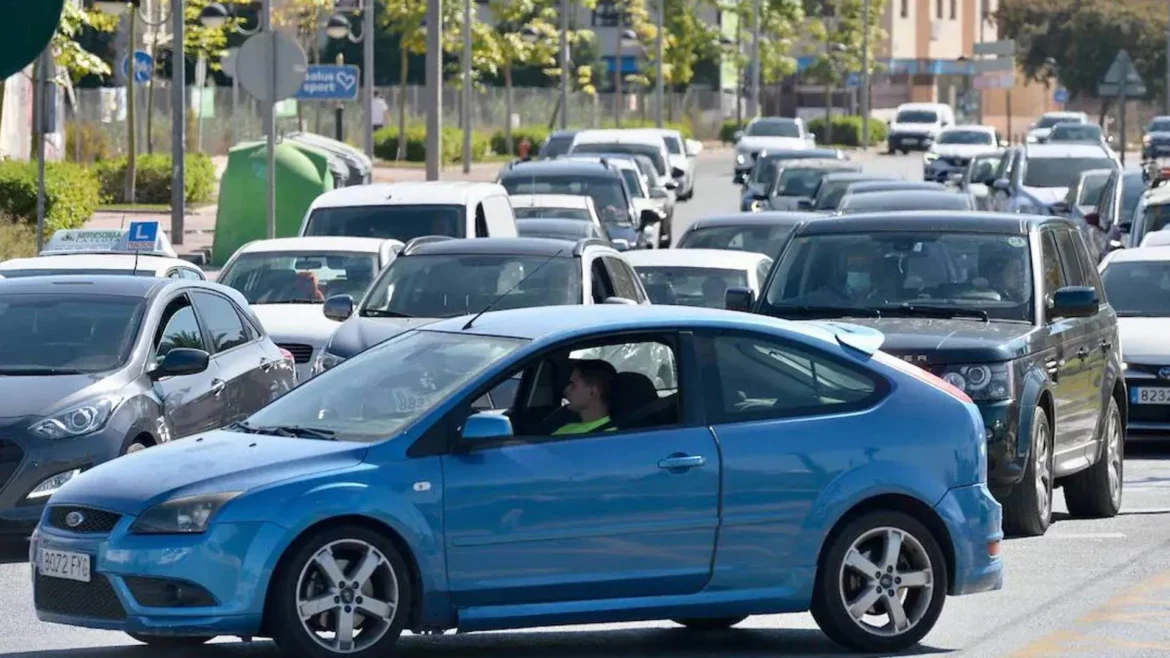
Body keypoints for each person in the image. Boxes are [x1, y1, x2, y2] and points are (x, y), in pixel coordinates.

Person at [553, 359, 618, 435]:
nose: (565, 391)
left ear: (593, 392)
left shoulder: (607, 435)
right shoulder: (569, 427)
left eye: (572, 384)